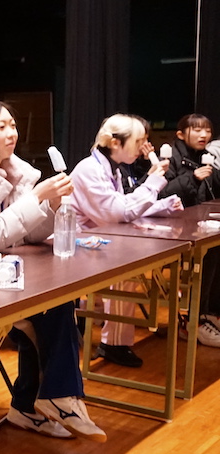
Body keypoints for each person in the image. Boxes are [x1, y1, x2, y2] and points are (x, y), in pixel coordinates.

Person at [0, 98, 107, 442]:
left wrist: (51, 205)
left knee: (55, 299)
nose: (12, 133)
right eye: (1, 126)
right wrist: (34, 199)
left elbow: (27, 234)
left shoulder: (17, 173)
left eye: (13, 125)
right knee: (48, 308)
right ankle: (54, 398)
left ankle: (36, 403)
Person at [69, 114, 183, 366]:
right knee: (127, 270)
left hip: (99, 240)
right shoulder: (89, 169)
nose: (143, 147)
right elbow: (116, 213)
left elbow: (122, 206)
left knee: (128, 263)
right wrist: (153, 184)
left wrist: (161, 205)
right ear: (115, 143)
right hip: (76, 247)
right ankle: (113, 342)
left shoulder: (111, 169)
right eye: (138, 141)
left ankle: (96, 322)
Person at [157, 113, 220, 346]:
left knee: (216, 248)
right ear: (181, 134)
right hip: (169, 229)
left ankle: (208, 312)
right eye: (197, 130)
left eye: (208, 131)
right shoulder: (170, 157)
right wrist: (193, 177)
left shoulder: (204, 157)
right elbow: (160, 194)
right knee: (207, 254)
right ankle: (194, 320)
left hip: (195, 224)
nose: (204, 135)